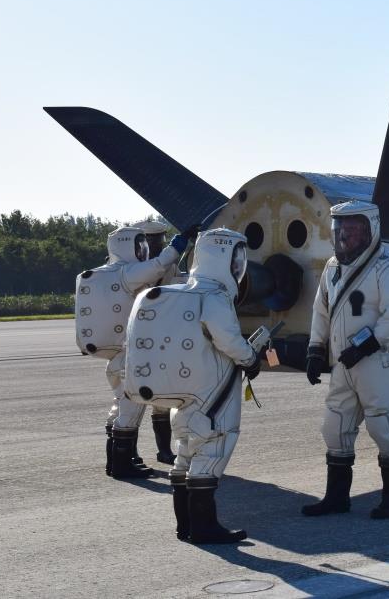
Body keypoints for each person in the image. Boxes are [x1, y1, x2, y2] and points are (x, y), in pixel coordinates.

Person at [123, 228, 260, 544]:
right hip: (211, 397)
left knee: (184, 456)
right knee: (211, 453)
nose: (239, 267)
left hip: (183, 398)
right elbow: (228, 340)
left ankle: (184, 525)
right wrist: (251, 358)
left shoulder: (182, 292)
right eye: (237, 259)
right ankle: (204, 527)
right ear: (225, 258)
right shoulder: (215, 298)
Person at [303, 200, 389, 520]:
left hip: (380, 361)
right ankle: (336, 498)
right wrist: (315, 349)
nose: (344, 236)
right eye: (340, 229)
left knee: (384, 426)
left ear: (371, 230)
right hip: (345, 363)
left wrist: (368, 345)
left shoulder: (387, 268)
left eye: (353, 229)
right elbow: (321, 311)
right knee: (335, 427)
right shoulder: (332, 268)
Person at [74, 225, 188, 479]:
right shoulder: (127, 273)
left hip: (114, 356)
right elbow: (158, 265)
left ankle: (116, 461)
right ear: (128, 246)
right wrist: (179, 244)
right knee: (130, 411)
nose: (144, 250)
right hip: (129, 356)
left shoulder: (104, 273)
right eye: (141, 245)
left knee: (119, 407)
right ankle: (122, 464)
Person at [134, 218, 187, 464]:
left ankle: (163, 451)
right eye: (154, 240)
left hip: (166, 334)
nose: (159, 244)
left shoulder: (170, 264)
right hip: (144, 337)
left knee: (162, 397)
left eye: (161, 239)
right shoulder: (139, 267)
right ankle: (132, 452)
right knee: (134, 401)